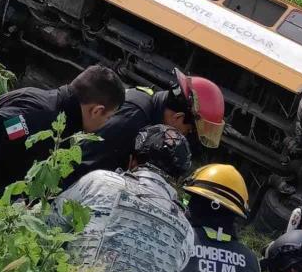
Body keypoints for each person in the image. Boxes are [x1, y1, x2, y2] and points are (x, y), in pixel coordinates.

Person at [49, 124, 194, 272]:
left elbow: (50, 226)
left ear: (132, 160)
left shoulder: (99, 182)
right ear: (179, 180)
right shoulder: (186, 231)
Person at [0, 64, 125, 192]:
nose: (106, 123)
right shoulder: (39, 117)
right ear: (97, 111)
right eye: (108, 118)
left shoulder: (49, 107)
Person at [65, 68, 224, 186]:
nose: (183, 137)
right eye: (188, 131)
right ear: (178, 117)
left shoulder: (149, 114)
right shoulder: (134, 119)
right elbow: (81, 162)